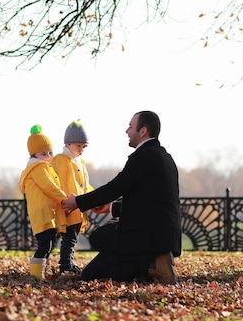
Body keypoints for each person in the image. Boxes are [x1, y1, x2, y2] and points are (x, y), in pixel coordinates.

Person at [61, 110, 181, 283]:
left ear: (143, 131)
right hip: (165, 236)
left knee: (90, 274)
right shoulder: (164, 157)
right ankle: (151, 262)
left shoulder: (143, 156)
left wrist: (78, 202)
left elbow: (114, 188)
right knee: (100, 239)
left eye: (131, 126)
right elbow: (149, 201)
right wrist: (110, 208)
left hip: (146, 236)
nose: (127, 131)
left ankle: (150, 265)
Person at [19, 124, 68, 280]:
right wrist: (64, 198)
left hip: (46, 212)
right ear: (34, 154)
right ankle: (36, 275)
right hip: (43, 213)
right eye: (43, 153)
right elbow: (49, 186)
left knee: (48, 244)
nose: (48, 156)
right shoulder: (38, 168)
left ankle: (42, 272)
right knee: (45, 244)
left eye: (50, 152)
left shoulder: (42, 166)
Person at [51, 120, 93, 274]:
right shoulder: (61, 160)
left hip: (77, 208)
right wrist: (63, 201)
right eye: (79, 146)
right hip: (68, 207)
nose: (82, 150)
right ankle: (65, 264)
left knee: (72, 238)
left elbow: (84, 186)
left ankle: (67, 262)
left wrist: (92, 198)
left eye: (84, 147)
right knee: (68, 238)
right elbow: (58, 182)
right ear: (68, 144)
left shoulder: (79, 163)